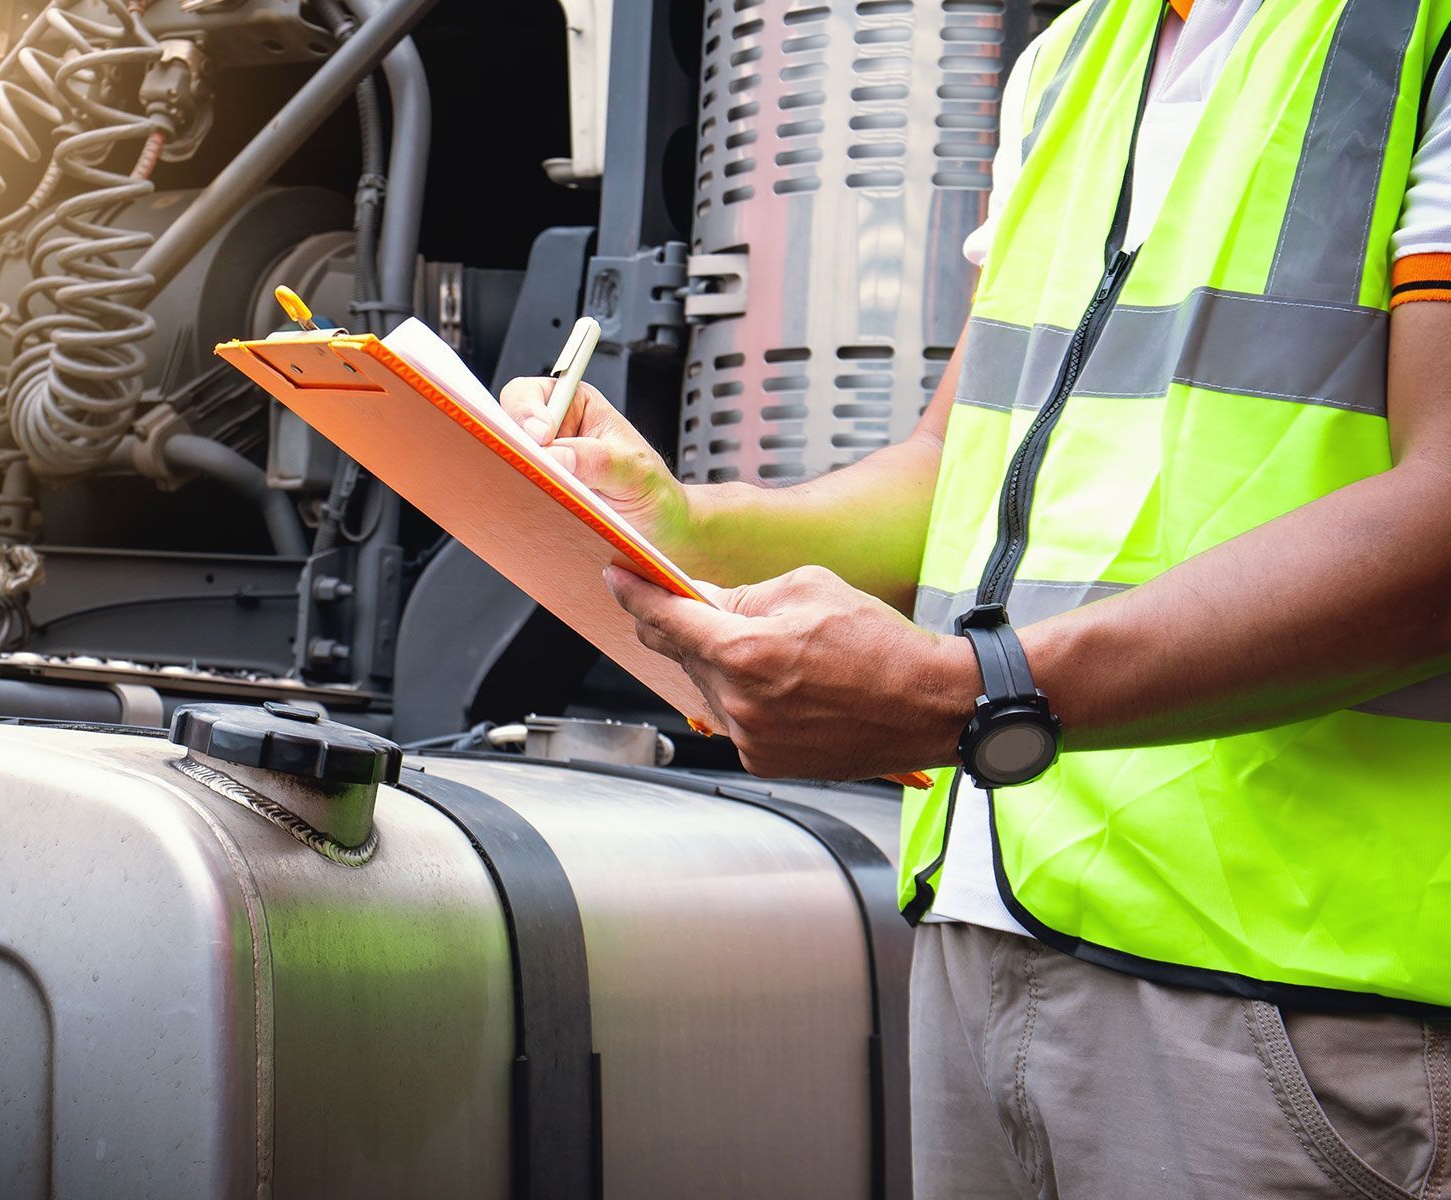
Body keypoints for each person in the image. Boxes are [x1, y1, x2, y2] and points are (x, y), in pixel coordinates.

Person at [501, 1, 1451, 1196]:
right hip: (990, 942)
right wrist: (687, 520)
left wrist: (968, 692)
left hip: (1296, 998)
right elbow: (957, 470)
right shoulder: (1069, 62)